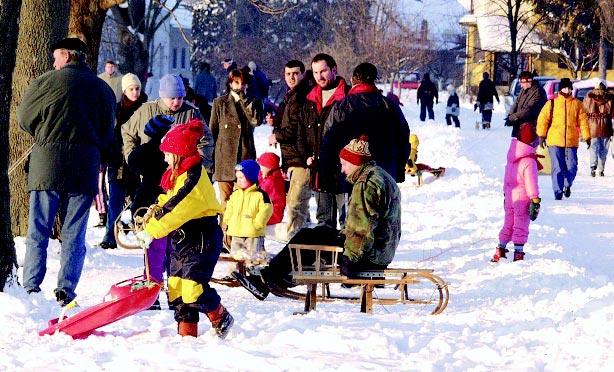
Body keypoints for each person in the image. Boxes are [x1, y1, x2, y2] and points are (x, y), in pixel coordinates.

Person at [233, 136, 401, 299]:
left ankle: (267, 279)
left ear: (355, 163)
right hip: (381, 250)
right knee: (317, 233)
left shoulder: (365, 184)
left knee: (307, 237)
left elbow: (360, 227)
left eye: (343, 164)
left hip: (369, 255)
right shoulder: (380, 175)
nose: (342, 169)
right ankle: (277, 276)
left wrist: (349, 261)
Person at [17, 37, 116, 305]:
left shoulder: (44, 83)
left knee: (39, 228)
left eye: (55, 56)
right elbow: (108, 130)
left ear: (66, 55)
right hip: (84, 165)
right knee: (74, 231)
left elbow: (24, 118)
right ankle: (66, 288)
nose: (53, 61)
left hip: (46, 163)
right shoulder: (101, 89)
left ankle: (31, 285)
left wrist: (44, 132)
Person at [135, 119, 233, 338]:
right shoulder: (178, 175)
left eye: (168, 153)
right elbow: (166, 201)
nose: (164, 157)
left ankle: (220, 316)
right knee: (177, 288)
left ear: (179, 153)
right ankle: (187, 335)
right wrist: (149, 219)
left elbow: (176, 208)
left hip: (201, 238)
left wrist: (153, 231)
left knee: (193, 288)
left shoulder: (192, 178)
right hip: (183, 239)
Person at [321, 62, 410, 193]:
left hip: (350, 173)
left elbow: (328, 140)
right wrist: (399, 170)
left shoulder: (342, 106)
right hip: (385, 172)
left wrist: (328, 174)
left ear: (353, 79)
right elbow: (403, 139)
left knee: (354, 210)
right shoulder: (390, 105)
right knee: (382, 211)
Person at [297, 53, 350, 229]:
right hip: (320, 171)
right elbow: (301, 134)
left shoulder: (348, 97)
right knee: (323, 223)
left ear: (334, 69)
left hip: (344, 172)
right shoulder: (309, 100)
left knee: (346, 223)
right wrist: (306, 156)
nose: (319, 77)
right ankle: (325, 256)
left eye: (323, 71)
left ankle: (346, 256)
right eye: (315, 72)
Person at [99, 73, 148, 249]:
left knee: (140, 200)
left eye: (137, 89)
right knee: (115, 200)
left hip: (139, 161)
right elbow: (110, 134)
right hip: (117, 161)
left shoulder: (146, 108)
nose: (135, 92)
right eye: (131, 89)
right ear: (124, 90)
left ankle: (143, 234)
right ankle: (110, 235)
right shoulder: (117, 109)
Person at [268, 60, 311, 239]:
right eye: (288, 74)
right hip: (293, 157)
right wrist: (276, 122)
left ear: (302, 74)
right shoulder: (291, 95)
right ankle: (305, 241)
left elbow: (294, 128)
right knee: (300, 205)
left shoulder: (300, 96)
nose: (292, 77)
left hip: (300, 157)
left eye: (295, 73)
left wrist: (276, 135)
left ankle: (295, 244)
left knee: (296, 204)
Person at [209, 69, 263, 207]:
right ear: (231, 83)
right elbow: (212, 133)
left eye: (243, 83)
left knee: (244, 202)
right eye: (237, 83)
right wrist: (212, 161)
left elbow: (256, 121)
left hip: (245, 157)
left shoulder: (253, 102)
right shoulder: (220, 103)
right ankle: (225, 228)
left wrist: (245, 101)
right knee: (226, 202)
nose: (240, 86)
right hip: (224, 162)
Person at [491, 125, 541, 262]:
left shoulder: (512, 157)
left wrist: (505, 195)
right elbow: (531, 183)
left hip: (509, 197)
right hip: (523, 199)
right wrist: (535, 199)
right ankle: (518, 253)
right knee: (521, 225)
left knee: (508, 224)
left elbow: (507, 179)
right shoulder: (529, 161)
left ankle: (500, 249)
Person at [536, 78, 590, 200]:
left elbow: (583, 122)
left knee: (572, 166)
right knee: (558, 167)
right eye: (565, 87)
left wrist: (587, 136)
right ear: (560, 89)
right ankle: (558, 192)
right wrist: (541, 135)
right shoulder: (552, 103)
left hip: (571, 141)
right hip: (554, 140)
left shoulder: (577, 104)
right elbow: (542, 120)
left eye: (569, 88)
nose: (567, 90)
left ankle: (566, 184)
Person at [222, 159, 273, 269]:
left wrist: (258, 224)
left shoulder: (260, 195)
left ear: (250, 177)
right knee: (236, 255)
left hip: (253, 233)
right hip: (236, 231)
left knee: (254, 256)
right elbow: (229, 208)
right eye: (237, 178)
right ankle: (235, 273)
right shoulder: (236, 194)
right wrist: (227, 220)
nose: (238, 181)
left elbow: (266, 210)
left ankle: (255, 272)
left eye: (241, 178)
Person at [583, 80, 613, 177]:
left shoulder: (589, 96)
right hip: (606, 126)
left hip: (593, 127)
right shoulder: (610, 97)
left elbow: (585, 110)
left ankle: (592, 166)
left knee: (593, 147)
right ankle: (601, 169)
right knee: (604, 149)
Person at [505, 71, 547, 138]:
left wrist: (513, 117)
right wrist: (510, 115)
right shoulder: (523, 90)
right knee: (515, 145)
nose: (521, 85)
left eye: (522, 82)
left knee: (525, 147)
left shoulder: (538, 92)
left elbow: (528, 109)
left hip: (531, 126)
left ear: (528, 81)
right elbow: (516, 103)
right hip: (520, 124)